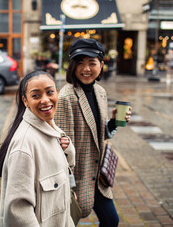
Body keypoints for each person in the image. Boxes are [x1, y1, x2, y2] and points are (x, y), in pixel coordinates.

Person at [55, 39, 132, 227]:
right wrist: (68, 186)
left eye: (92, 63)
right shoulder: (66, 97)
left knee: (111, 220)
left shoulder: (100, 92)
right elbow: (62, 149)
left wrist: (113, 122)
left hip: (97, 177)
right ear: (72, 66)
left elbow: (96, 135)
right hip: (78, 178)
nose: (86, 69)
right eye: (80, 63)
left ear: (102, 64)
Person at [0, 71, 75, 226]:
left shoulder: (52, 128)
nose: (45, 100)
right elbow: (18, 211)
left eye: (50, 92)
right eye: (36, 96)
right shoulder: (24, 145)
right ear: (25, 101)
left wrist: (68, 150)